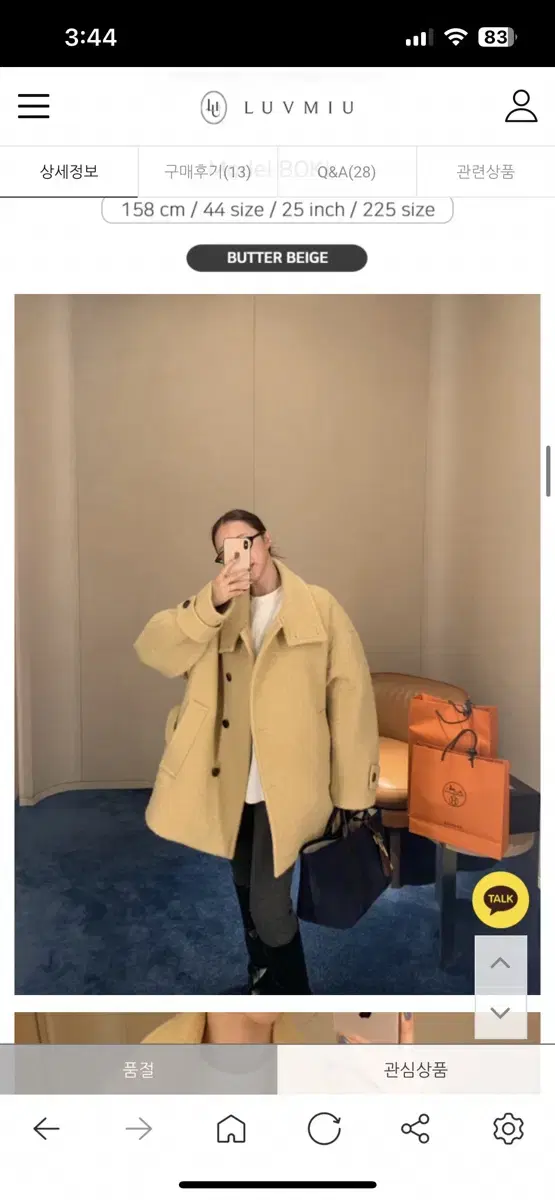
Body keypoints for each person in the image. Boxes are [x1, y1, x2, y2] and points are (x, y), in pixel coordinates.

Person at [134, 509, 380, 995]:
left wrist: (353, 793)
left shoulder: (319, 607)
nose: (239, 556)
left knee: (269, 906)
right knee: (244, 885)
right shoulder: (216, 609)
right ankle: (262, 979)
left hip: (289, 782)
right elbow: (153, 649)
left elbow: (350, 698)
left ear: (267, 540)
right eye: (225, 550)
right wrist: (211, 603)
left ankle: (296, 998)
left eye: (245, 542)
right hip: (231, 777)